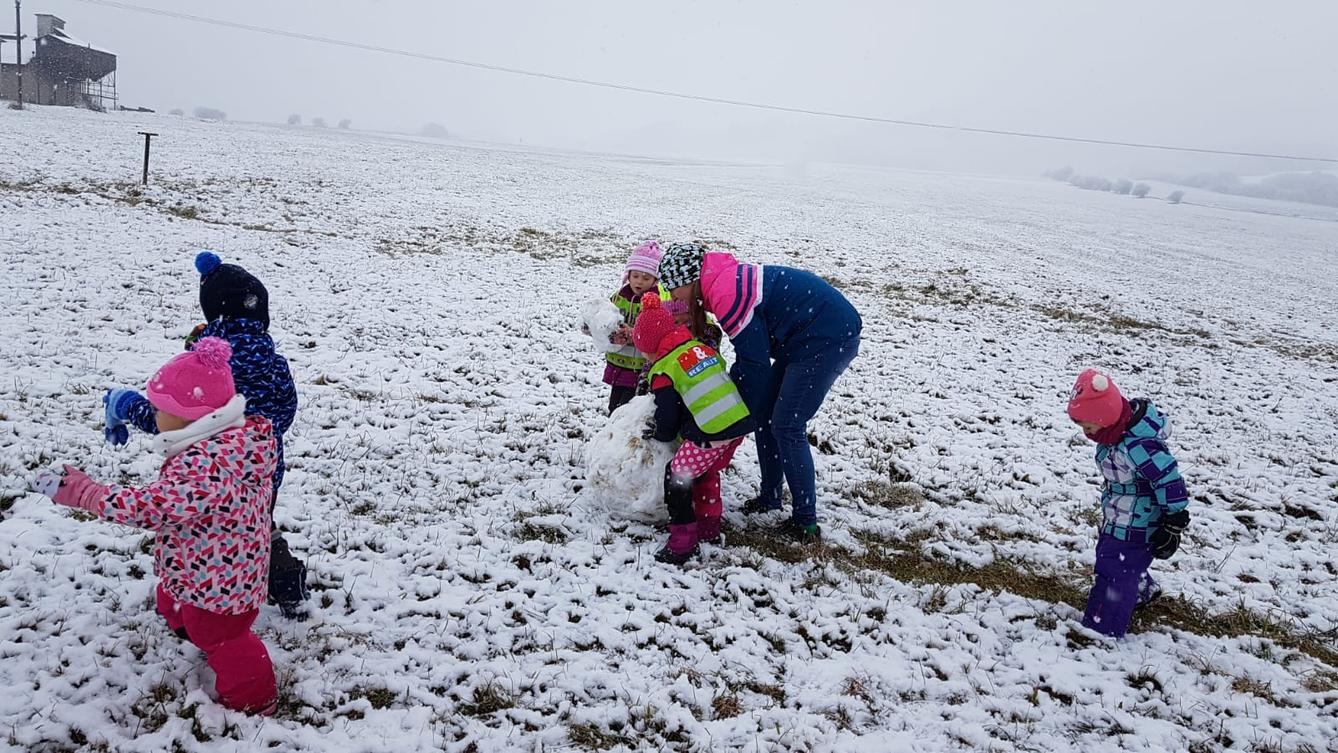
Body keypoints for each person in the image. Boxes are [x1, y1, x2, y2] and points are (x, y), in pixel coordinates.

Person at [33, 338, 280, 714]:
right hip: (214, 563)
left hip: (222, 582)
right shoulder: (231, 442)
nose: (153, 416)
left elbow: (154, 507)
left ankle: (255, 698)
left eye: (158, 409)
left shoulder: (204, 465)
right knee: (173, 601)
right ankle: (193, 630)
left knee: (221, 635)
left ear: (189, 417)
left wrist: (87, 494)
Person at [102, 251, 309, 619]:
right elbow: (285, 410)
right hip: (260, 470)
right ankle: (286, 583)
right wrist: (265, 437)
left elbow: (168, 420)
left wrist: (126, 404)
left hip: (205, 475)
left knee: (208, 535)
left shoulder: (204, 368)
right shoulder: (275, 364)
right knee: (257, 526)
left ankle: (207, 602)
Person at [657, 242, 861, 541]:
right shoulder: (719, 282)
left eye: (673, 288)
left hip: (826, 337)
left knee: (787, 425)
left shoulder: (726, 294)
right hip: (804, 337)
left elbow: (754, 364)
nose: (672, 296)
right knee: (765, 415)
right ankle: (770, 497)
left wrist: (728, 413)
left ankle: (805, 523)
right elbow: (753, 362)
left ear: (688, 280)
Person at [1067, 368, 1190, 638]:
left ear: (1105, 417)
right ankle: (1140, 588)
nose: (1086, 433)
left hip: (1139, 522)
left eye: (1089, 426)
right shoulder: (1114, 436)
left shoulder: (1138, 446)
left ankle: (1104, 628)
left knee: (1116, 567)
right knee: (1112, 557)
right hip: (1121, 515)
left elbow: (1167, 478)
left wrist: (1173, 520)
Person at [634, 295, 754, 564]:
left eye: (644, 352)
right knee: (705, 471)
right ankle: (708, 527)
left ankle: (682, 542)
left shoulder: (664, 369)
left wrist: (661, 434)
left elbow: (668, 414)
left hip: (712, 429)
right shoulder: (699, 348)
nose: (646, 358)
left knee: (677, 477)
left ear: (651, 347)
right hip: (738, 419)